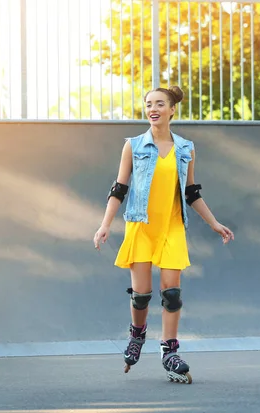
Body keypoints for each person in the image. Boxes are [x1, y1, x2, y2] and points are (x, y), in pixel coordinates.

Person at [93, 85, 234, 383]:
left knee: (172, 294)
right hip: (140, 227)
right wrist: (105, 224)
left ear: (172, 109)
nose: (152, 108)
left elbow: (192, 192)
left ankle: (169, 350)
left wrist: (214, 223)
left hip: (171, 227)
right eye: (148, 104)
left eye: (159, 103)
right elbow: (119, 189)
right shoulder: (133, 145)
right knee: (141, 295)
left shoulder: (186, 148)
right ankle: (137, 335)